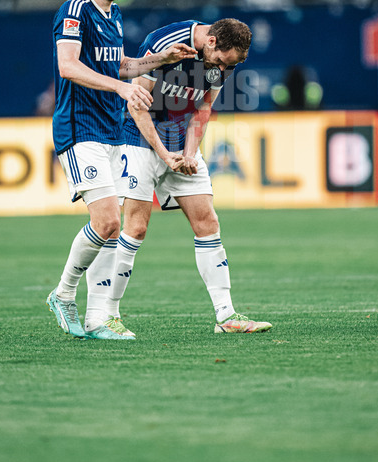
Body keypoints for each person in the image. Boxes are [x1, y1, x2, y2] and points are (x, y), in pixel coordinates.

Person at [47, 0, 196, 340]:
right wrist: (120, 89)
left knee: (113, 228)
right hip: (81, 129)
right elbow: (68, 67)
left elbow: (122, 65)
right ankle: (63, 294)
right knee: (109, 220)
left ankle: (98, 319)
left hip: (113, 130)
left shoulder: (114, 16)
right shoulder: (74, 11)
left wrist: (159, 61)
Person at [85, 17, 272, 336]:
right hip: (138, 139)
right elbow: (137, 106)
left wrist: (188, 153)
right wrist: (164, 154)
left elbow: (203, 108)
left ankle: (226, 317)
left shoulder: (222, 62)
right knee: (135, 228)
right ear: (211, 42)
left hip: (179, 142)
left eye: (231, 66)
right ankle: (107, 314)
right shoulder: (164, 44)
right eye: (223, 62)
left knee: (207, 222)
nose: (224, 70)